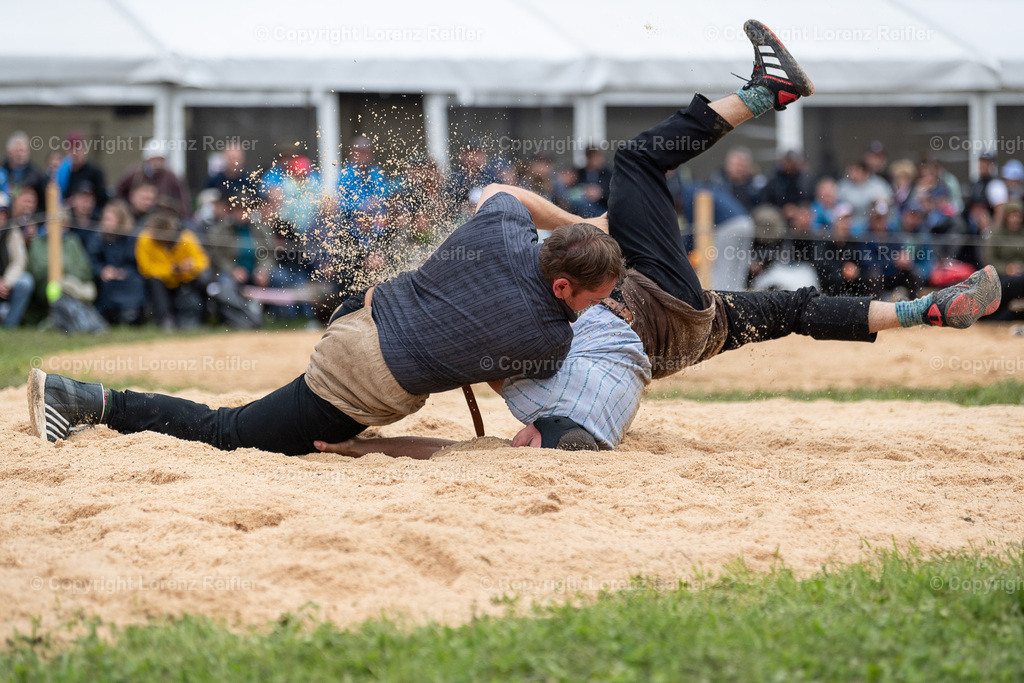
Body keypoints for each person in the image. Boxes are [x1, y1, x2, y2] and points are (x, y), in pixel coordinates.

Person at [315, 20, 1002, 458]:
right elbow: (506, 208)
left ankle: (924, 311)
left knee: (791, 311)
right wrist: (584, 228)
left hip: (681, 341)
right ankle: (767, 94)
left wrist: (351, 446)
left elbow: (445, 445)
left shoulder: (550, 407)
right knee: (637, 161)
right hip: (657, 301)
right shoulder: (525, 379)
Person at [29, 166, 625, 451]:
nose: (606, 304)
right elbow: (504, 376)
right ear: (564, 288)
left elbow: (499, 193)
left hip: (358, 317)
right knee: (228, 431)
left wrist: (585, 225)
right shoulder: (549, 342)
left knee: (265, 415)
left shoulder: (502, 227)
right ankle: (87, 399)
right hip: (358, 383)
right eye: (598, 297)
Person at [135, 212, 210, 330]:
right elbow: (146, 269)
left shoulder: (185, 237)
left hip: (184, 279)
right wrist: (171, 269)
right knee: (154, 281)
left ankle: (201, 319)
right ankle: (166, 319)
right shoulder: (145, 239)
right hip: (162, 282)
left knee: (203, 279)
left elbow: (202, 261)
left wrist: (191, 265)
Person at [84, 200, 146, 325]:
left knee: (136, 282)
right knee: (107, 283)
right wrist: (102, 270)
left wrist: (123, 271)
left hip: (128, 274)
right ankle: (111, 317)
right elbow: (91, 259)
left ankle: (133, 315)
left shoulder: (130, 237)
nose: (107, 222)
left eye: (111, 219)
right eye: (105, 218)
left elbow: (135, 261)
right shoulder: (98, 237)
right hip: (106, 275)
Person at [0, 192, 34, 328]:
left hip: (7, 284)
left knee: (25, 282)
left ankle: (9, 326)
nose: (1, 216)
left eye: (3, 212)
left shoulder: (12, 231)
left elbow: (19, 261)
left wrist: (6, 282)